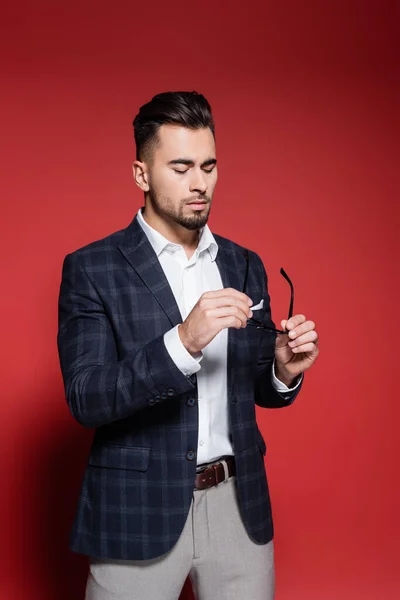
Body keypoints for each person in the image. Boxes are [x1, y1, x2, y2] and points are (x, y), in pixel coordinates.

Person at [57, 90, 319, 600]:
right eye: (180, 167)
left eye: (208, 166)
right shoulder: (92, 268)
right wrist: (182, 341)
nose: (199, 183)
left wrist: (283, 372)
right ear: (141, 174)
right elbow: (86, 397)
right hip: (137, 509)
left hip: (238, 508)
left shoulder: (245, 263)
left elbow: (255, 391)